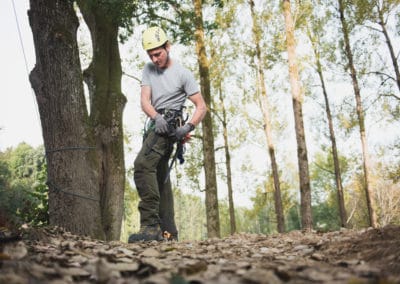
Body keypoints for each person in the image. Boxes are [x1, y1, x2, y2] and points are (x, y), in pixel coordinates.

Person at [128, 27, 207, 242]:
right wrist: (156, 117)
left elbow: (201, 106)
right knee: (160, 176)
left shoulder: (183, 74)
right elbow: (145, 100)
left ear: (168, 47)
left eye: (158, 53)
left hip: (171, 124)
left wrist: (187, 127)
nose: (155, 58)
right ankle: (169, 232)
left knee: (143, 166)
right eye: (151, 54)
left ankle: (150, 226)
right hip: (157, 122)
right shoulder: (148, 69)